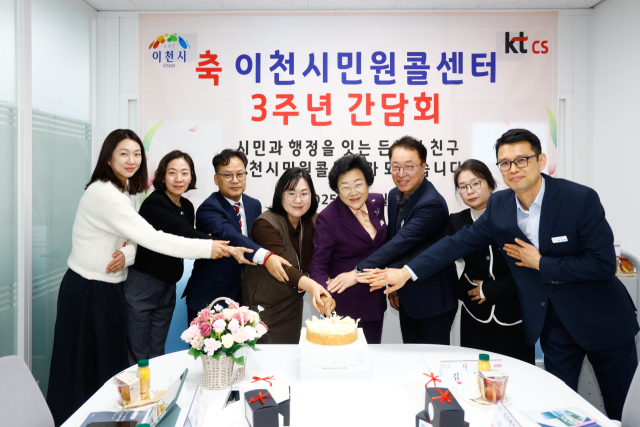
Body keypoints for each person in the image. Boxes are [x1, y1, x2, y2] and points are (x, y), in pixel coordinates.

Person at [361, 128, 639, 421]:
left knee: (624, 408)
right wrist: (407, 272)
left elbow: (601, 264)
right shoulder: (500, 205)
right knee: (557, 410)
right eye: (505, 163)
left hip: (602, 320)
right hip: (552, 324)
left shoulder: (579, 199)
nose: (513, 169)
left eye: (522, 160)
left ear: (541, 160)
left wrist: (541, 263)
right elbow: (456, 243)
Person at [46, 130, 248, 426]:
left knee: (111, 368)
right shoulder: (105, 193)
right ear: (108, 157)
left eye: (137, 154)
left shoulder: (123, 192)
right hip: (88, 290)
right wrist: (209, 247)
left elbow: (131, 240)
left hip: (108, 288)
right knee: (83, 371)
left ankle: (132, 417)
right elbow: (152, 238)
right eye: (123, 153)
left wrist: (126, 254)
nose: (131, 160)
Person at [354, 137, 458, 344]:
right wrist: (395, 284)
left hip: (433, 300)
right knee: (411, 356)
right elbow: (394, 239)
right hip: (406, 295)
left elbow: (400, 242)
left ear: (423, 166)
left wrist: (357, 271)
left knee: (431, 360)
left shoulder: (432, 203)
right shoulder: (395, 195)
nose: (401, 174)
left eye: (409, 167)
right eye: (395, 167)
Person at [125, 150, 219, 364]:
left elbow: (186, 242)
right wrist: (217, 243)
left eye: (184, 173)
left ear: (191, 176)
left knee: (157, 350)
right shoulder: (154, 203)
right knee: (138, 352)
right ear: (162, 175)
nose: (179, 179)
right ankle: (137, 387)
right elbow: (184, 232)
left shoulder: (187, 206)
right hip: (143, 286)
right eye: (172, 173)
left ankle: (153, 386)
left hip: (167, 287)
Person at [182, 149, 291, 323]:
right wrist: (266, 257)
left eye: (240, 174)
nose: (235, 180)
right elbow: (230, 236)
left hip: (245, 297)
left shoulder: (253, 204)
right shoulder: (208, 208)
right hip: (210, 298)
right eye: (227, 175)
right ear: (216, 179)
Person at [448, 159, 534, 364]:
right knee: (475, 371)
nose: (470, 191)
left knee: (518, 372)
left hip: (514, 312)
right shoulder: (456, 221)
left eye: (475, 183)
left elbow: (529, 267)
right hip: (474, 313)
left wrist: (491, 289)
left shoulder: (516, 216)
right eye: (463, 187)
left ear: (490, 183)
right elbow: (444, 258)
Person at [241, 167, 336, 343]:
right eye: (291, 193)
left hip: (292, 308)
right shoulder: (265, 224)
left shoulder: (315, 221)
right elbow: (283, 267)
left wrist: (324, 292)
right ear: (280, 194)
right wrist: (313, 287)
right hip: (262, 309)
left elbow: (320, 261)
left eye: (304, 194)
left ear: (312, 196)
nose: (298, 200)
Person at [308, 154, 388, 344]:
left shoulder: (377, 202)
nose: (353, 192)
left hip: (376, 300)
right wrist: (323, 295)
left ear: (368, 183)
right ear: (337, 190)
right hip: (345, 308)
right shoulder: (328, 217)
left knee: (371, 355)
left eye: (358, 184)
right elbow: (318, 265)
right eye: (345, 187)